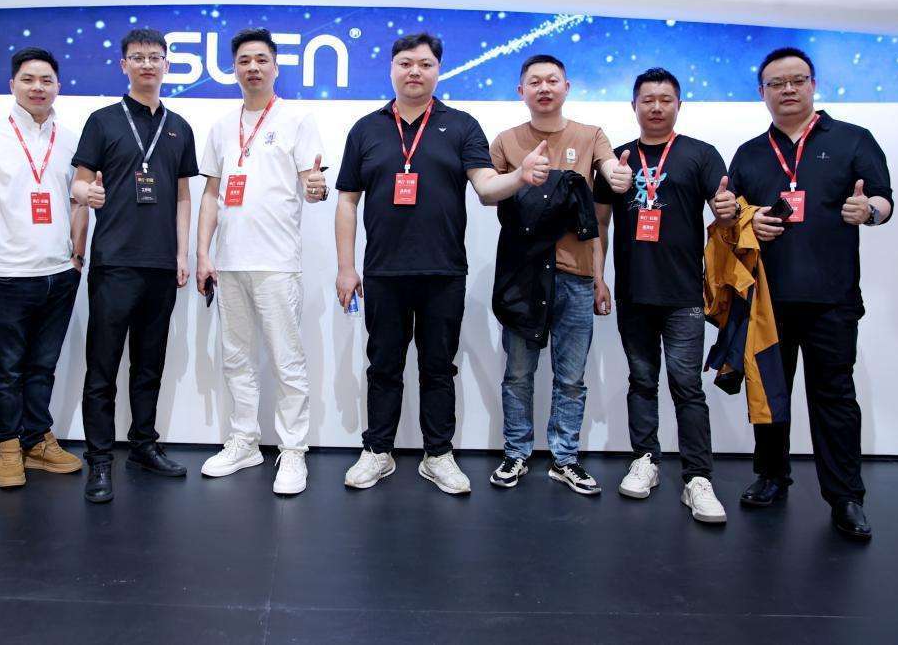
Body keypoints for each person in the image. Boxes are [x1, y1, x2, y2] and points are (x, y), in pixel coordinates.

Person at [335, 32, 548, 496]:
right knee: (383, 366)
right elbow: (347, 202)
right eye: (406, 63)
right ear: (392, 69)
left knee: (438, 366)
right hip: (383, 272)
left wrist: (520, 176)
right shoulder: (366, 129)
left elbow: (486, 187)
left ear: (438, 70)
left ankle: (438, 455)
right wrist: (346, 267)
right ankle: (378, 451)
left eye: (425, 64)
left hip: (444, 271)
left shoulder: (461, 125)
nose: (415, 71)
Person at [727, 47, 892, 541]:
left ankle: (845, 497)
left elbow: (883, 199)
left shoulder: (853, 139)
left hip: (832, 298)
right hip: (766, 301)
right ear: (762, 93)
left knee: (834, 397)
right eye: (776, 83)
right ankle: (771, 475)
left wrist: (870, 211)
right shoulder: (750, 152)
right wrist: (748, 220)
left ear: (813, 84)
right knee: (769, 395)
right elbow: (732, 215)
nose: (788, 90)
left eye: (797, 80)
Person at [593, 67, 735, 523]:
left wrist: (729, 210)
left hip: (683, 294)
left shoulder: (700, 154)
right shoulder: (616, 160)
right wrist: (598, 277)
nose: (656, 107)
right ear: (633, 105)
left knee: (686, 385)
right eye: (647, 100)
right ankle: (645, 460)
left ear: (678, 104)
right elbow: (599, 224)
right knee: (641, 381)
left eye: (665, 99)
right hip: (634, 292)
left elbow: (725, 212)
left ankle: (698, 478)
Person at [488, 54, 632, 496]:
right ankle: (516, 453)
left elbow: (609, 170)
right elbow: (488, 194)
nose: (544, 88)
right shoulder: (506, 141)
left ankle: (565, 458)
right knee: (518, 374)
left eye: (552, 80)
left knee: (571, 377)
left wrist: (618, 175)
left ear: (567, 87)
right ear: (521, 91)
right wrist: (520, 176)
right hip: (523, 277)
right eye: (535, 82)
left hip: (577, 275)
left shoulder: (591, 136)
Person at [195, 28, 327, 496]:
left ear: (275, 66)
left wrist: (317, 188)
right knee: (236, 357)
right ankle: (245, 441)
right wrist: (203, 254)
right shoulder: (221, 127)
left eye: (261, 60)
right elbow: (211, 194)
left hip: (276, 262)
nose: (253, 67)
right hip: (229, 263)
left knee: (287, 360)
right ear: (234, 69)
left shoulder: (297, 119)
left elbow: (312, 184)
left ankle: (292, 449)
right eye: (244, 61)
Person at [71, 28, 198, 504]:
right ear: (124, 65)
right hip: (115, 262)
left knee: (150, 364)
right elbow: (79, 183)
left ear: (167, 64)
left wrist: (181, 254)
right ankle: (100, 459)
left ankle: (143, 445)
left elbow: (183, 196)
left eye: (155, 57)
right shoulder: (102, 120)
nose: (147, 64)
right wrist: (87, 193)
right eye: (138, 57)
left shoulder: (179, 126)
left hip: (161, 265)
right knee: (102, 367)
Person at [0, 47, 88, 489]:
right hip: (7, 273)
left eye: (46, 80)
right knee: (7, 369)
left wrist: (77, 258)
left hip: (59, 273)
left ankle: (37, 440)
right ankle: (7, 446)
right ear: (12, 85)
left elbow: (79, 201)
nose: (37, 87)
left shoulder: (71, 139)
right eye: (28, 79)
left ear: (58, 86)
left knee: (43, 365)